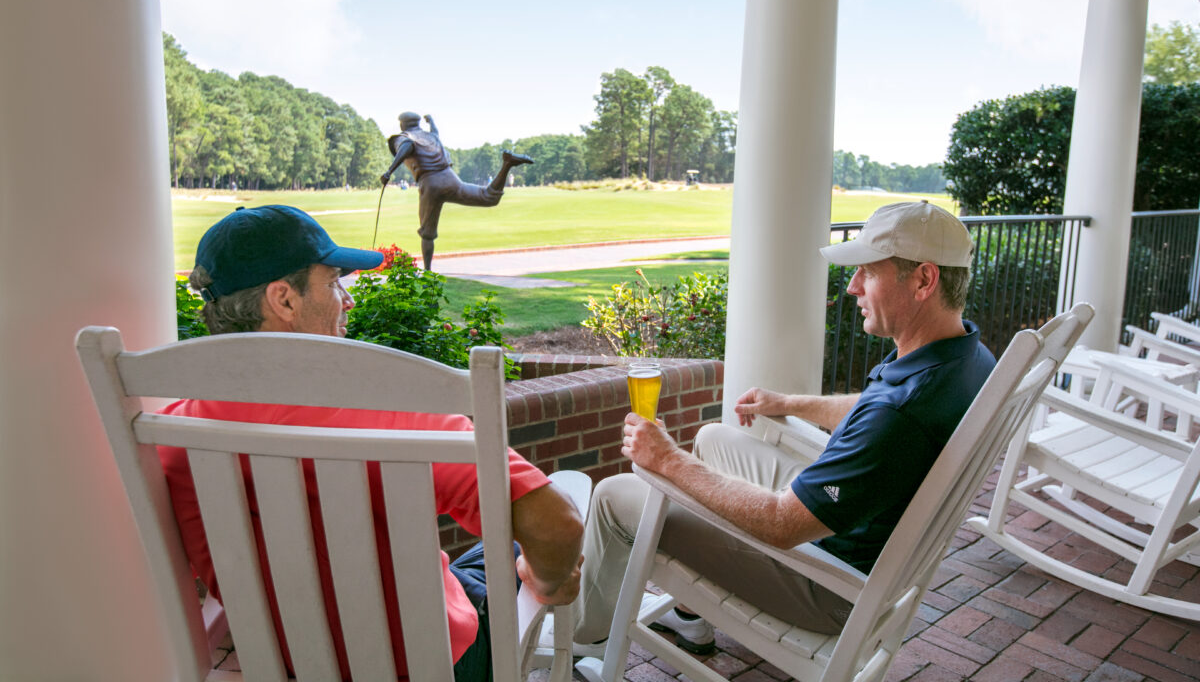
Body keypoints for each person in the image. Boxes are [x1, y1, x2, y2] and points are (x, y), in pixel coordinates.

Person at [161, 204, 584, 681]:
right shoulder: (390, 420)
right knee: (568, 497)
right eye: (334, 282)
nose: (348, 299)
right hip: (433, 663)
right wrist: (546, 582)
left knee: (489, 558)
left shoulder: (172, 438)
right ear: (284, 300)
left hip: (292, 665)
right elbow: (557, 526)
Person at [573, 200, 996, 654]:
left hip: (825, 582)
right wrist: (789, 403)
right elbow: (871, 407)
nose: (852, 287)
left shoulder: (901, 413)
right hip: (844, 527)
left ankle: (584, 640)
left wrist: (666, 459)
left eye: (868, 273)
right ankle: (689, 616)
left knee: (615, 496)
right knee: (714, 438)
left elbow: (781, 524)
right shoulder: (964, 357)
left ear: (924, 280)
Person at [380, 112, 532, 270]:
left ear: (402, 124)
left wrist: (389, 172)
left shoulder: (404, 137)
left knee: (427, 233)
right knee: (488, 197)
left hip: (431, 183)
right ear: (418, 123)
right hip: (449, 177)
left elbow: (406, 147)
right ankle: (507, 164)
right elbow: (435, 131)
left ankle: (427, 271)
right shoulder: (431, 136)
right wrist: (431, 120)